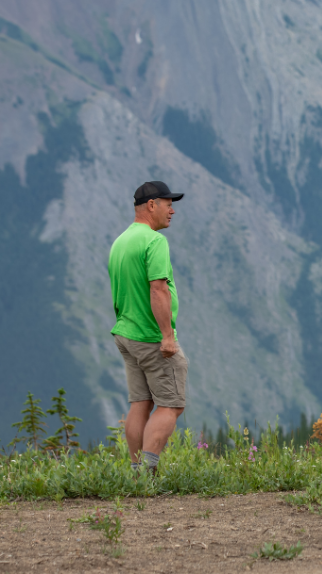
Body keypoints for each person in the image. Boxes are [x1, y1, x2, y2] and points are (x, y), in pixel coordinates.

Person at [108, 180, 189, 475]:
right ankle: (147, 473)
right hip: (151, 337)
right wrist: (167, 336)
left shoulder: (120, 242)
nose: (172, 211)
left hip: (125, 333)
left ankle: (134, 470)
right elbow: (158, 289)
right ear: (151, 205)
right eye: (168, 204)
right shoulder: (155, 242)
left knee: (140, 403)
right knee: (171, 405)